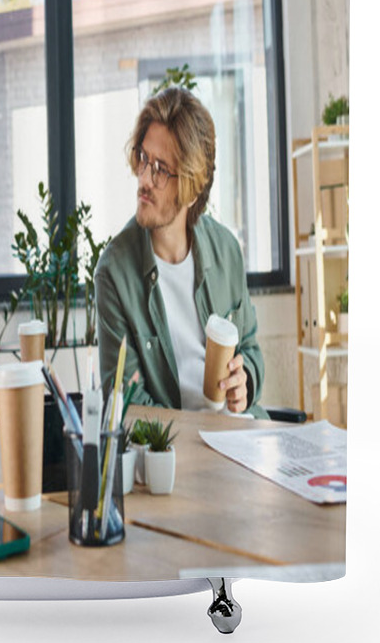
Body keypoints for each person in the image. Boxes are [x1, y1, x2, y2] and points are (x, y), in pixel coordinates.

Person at [95, 87, 267, 418]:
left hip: (243, 440)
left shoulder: (226, 251)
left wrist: (245, 380)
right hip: (175, 453)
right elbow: (128, 404)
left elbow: (251, 349)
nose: (144, 179)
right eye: (144, 159)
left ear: (192, 186)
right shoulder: (115, 273)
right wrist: (201, 435)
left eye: (160, 169)